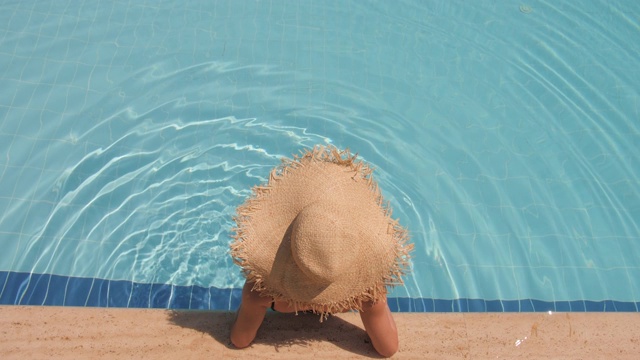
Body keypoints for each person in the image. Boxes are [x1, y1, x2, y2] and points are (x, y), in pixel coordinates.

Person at [229, 145, 413, 357]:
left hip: (282, 302)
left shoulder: (260, 294)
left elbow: (240, 340)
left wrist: (248, 303)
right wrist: (378, 302)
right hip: (348, 299)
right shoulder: (366, 296)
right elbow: (388, 349)